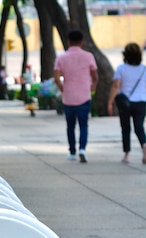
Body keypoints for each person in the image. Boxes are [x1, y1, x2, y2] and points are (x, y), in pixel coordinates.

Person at [54, 29, 98, 163]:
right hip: (84, 95)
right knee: (84, 125)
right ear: (82, 42)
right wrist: (92, 86)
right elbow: (95, 75)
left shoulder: (61, 57)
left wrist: (62, 88)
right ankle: (83, 149)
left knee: (70, 126)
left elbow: (56, 77)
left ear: (68, 42)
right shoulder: (88, 56)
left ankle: (72, 151)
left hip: (68, 97)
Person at [107, 42, 146, 164]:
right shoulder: (144, 70)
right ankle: (144, 145)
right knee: (139, 127)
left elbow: (116, 86)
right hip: (141, 102)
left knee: (125, 128)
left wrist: (110, 102)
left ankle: (127, 154)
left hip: (125, 103)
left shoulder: (121, 69)